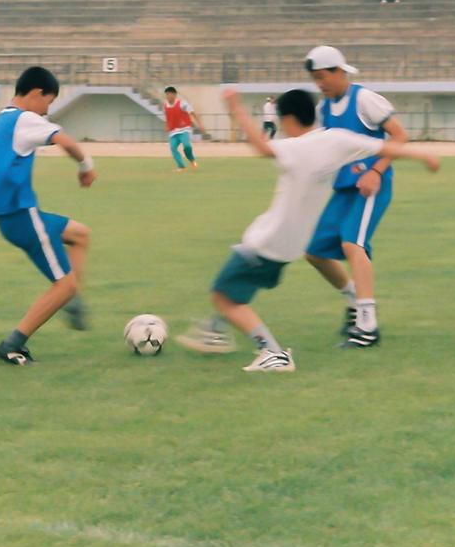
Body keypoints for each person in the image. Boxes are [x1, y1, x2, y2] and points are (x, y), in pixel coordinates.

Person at [178, 89, 439, 371]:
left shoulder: (293, 148)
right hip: (289, 246)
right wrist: (422, 154)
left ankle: (273, 353)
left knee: (224, 297)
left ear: (286, 118)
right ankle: (215, 331)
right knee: (239, 290)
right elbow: (386, 147)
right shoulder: (336, 140)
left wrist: (236, 108)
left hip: (265, 241)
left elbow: (261, 147)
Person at [0, 66, 95, 366]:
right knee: (63, 285)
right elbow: (65, 141)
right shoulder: (26, 119)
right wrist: (86, 166)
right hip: (23, 215)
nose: (46, 110)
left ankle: (72, 300)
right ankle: (13, 344)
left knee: (80, 234)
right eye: (48, 102)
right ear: (37, 93)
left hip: (11, 219)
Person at [302, 46, 409, 349]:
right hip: (344, 189)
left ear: (339, 71)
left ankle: (367, 326)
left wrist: (376, 171)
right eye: (315, 79)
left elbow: (400, 137)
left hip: (372, 186)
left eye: (323, 77)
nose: (320, 84)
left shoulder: (364, 100)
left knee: (353, 243)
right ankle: (353, 299)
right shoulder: (324, 109)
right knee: (314, 251)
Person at [162, 86, 205, 171]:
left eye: (169, 94)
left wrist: (200, 124)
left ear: (174, 95)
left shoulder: (183, 104)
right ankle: (182, 166)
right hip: (173, 132)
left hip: (184, 129)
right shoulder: (165, 106)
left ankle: (192, 160)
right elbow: (167, 117)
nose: (168, 96)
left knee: (187, 146)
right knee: (173, 148)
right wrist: (166, 125)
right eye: (166, 94)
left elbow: (192, 113)